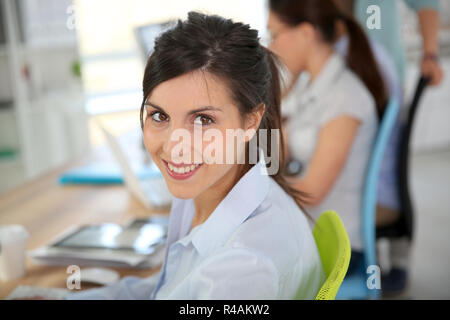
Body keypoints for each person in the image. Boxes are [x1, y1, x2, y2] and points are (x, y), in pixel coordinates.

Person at [65, 12, 325, 300]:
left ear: (251, 121)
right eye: (159, 115)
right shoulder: (206, 191)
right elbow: (169, 287)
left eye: (203, 120)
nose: (176, 146)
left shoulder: (239, 272)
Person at [267, 0, 388, 276]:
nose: (271, 47)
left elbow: (312, 189)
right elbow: (278, 155)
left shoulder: (345, 96)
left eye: (275, 35)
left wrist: (254, 191)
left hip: (338, 249)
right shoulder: (310, 86)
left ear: (306, 34)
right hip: (309, 230)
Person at [334, 0, 444, 295]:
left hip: (381, 87)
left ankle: (393, 259)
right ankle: (371, 259)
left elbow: (427, 3)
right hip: (349, 88)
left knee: (387, 174)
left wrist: (430, 53)